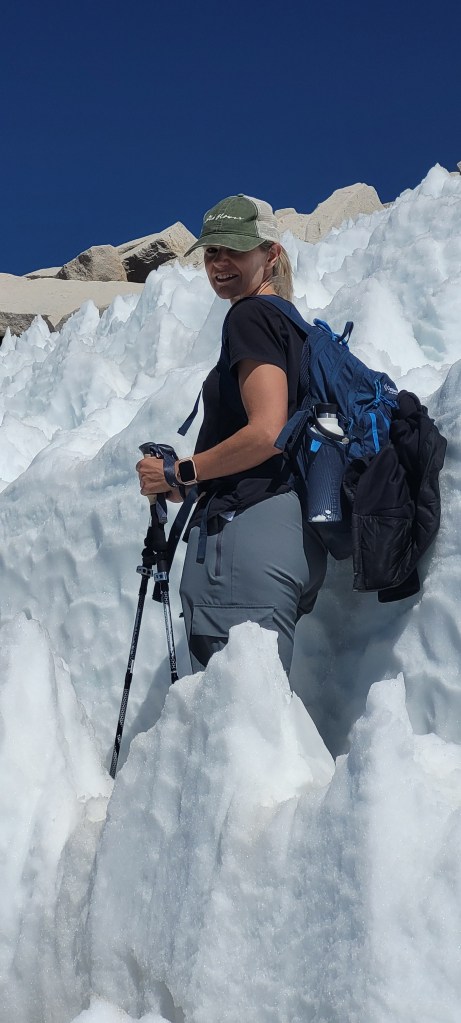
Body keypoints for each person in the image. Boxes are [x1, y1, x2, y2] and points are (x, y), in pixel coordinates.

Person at [136, 194, 327, 675]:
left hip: (243, 540)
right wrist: (186, 483)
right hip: (284, 533)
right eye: (211, 251)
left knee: (236, 731)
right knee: (253, 723)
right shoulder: (290, 322)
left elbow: (266, 432)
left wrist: (182, 469)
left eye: (235, 250)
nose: (219, 263)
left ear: (271, 254)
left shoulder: (249, 317)